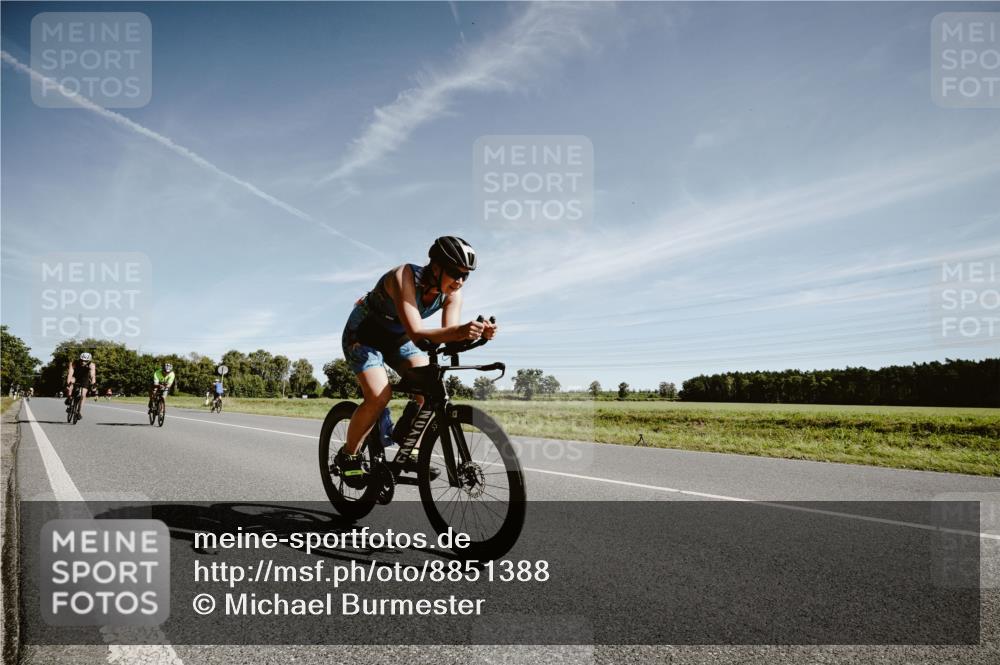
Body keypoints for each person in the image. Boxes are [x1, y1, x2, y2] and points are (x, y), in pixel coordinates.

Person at [336, 236, 497, 482]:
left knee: (428, 387)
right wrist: (460, 331)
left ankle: (407, 443)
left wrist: (476, 335)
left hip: (397, 338)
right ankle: (349, 455)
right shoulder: (404, 277)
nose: (460, 281)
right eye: (455, 272)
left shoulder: (453, 294)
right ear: (436, 266)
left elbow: (450, 335)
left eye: (466, 275)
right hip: (363, 335)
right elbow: (419, 333)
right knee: (380, 395)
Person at [65, 352, 97, 419]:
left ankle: (78, 412)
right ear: (79, 359)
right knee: (71, 383)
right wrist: (68, 384)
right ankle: (69, 398)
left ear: (89, 361)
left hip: (84, 378)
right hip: (75, 376)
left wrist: (93, 385)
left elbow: (92, 376)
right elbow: (70, 374)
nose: (83, 362)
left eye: (85, 361)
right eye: (81, 360)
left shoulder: (92, 365)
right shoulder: (74, 363)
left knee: (83, 395)